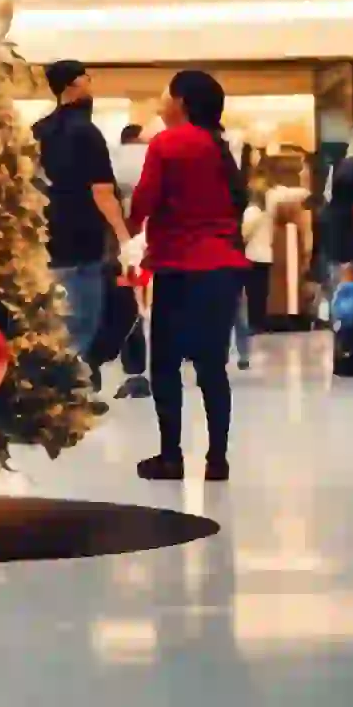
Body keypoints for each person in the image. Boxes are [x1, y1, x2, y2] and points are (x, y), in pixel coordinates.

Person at [123, 69, 247, 483]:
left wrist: (127, 227)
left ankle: (171, 455)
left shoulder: (168, 142)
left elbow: (144, 200)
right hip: (223, 267)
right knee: (213, 367)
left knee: (166, 365)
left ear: (182, 102)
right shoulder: (223, 145)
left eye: (166, 94)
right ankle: (218, 459)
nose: (162, 101)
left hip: (179, 267)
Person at [34, 63, 129, 399]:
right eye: (88, 80)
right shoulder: (87, 132)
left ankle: (55, 390)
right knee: (83, 323)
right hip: (82, 241)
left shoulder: (37, 130)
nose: (91, 86)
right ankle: (70, 395)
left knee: (53, 320)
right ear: (74, 86)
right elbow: (101, 191)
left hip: (46, 241)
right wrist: (123, 235)